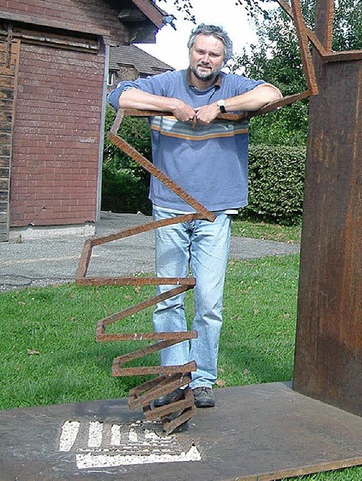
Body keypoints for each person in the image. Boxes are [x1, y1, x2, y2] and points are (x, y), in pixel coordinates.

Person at [107, 23, 282, 408]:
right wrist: (173, 106)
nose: (206, 59)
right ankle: (173, 376)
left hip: (215, 212)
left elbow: (272, 93)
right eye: (200, 51)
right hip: (169, 207)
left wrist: (219, 107)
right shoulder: (167, 83)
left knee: (208, 300)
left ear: (224, 59)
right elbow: (118, 95)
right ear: (190, 52)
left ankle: (201, 378)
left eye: (214, 54)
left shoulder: (232, 87)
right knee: (168, 297)